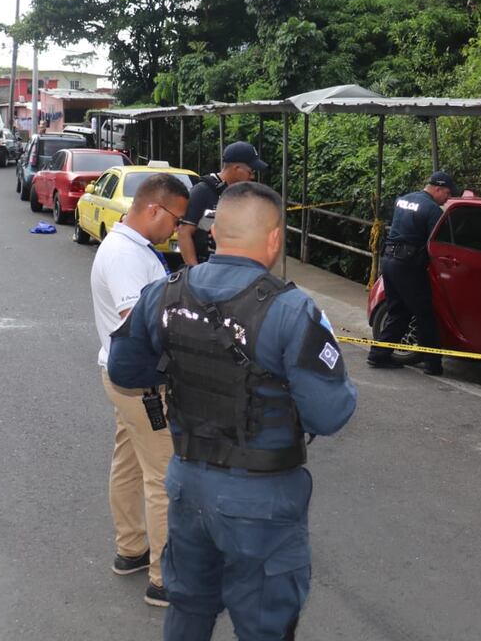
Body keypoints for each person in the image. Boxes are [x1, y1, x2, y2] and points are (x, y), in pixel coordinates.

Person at [107, 181, 357, 640]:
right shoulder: (292, 309)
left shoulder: (164, 292)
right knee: (264, 625)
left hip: (187, 486)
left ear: (214, 232)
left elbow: (125, 369)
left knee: (187, 607)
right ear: (275, 237)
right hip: (261, 498)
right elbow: (329, 415)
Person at [89, 172, 191, 606]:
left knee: (129, 463)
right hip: (142, 385)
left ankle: (131, 549)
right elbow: (143, 321)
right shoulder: (127, 258)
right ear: (154, 209)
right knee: (164, 475)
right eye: (177, 219)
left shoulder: (131, 248)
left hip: (121, 378)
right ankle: (163, 578)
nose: (178, 229)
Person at [367, 171, 460, 375]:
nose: (447, 198)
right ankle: (433, 365)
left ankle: (378, 355)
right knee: (425, 314)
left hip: (389, 261)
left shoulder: (404, 199)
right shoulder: (432, 210)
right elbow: (437, 244)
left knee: (398, 311)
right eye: (447, 193)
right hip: (408, 266)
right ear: (437, 188)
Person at [177, 141, 267, 266]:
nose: (252, 177)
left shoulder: (242, 194)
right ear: (237, 169)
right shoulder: (202, 191)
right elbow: (184, 232)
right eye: (250, 172)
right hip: (206, 267)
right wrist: (195, 271)